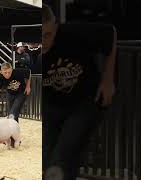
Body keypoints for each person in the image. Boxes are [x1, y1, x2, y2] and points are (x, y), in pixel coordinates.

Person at [42, 4, 116, 180]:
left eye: (48, 35)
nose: (44, 41)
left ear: (56, 26)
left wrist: (107, 80)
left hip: (85, 101)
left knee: (62, 156)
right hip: (53, 105)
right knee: (50, 159)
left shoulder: (73, 32)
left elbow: (110, 33)